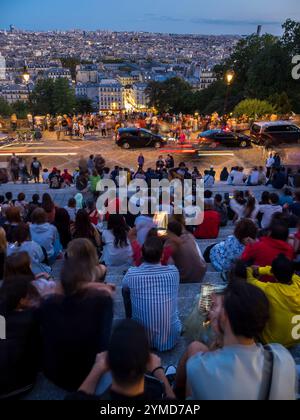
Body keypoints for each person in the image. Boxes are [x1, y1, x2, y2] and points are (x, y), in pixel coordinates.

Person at [175, 280, 297, 400]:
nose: (211, 311)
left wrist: (157, 371)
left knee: (194, 347)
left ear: (225, 319)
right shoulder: (282, 357)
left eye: (217, 306)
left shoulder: (198, 367)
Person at [39, 259, 114, 391]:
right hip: (90, 373)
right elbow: (104, 344)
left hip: (56, 374)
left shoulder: (48, 304)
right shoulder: (102, 303)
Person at [67, 320, 175, 400]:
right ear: (148, 361)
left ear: (109, 363)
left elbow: (78, 397)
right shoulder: (155, 392)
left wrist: (98, 367)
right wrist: (159, 371)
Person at [122, 236, 181, 352]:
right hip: (170, 337)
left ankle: (130, 320)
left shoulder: (132, 274)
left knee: (125, 289)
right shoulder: (174, 272)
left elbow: (125, 288)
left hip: (141, 338)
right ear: (162, 255)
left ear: (142, 255)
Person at [0, 275, 41, 398]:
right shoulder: (32, 318)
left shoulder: (2, 311)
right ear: (22, 301)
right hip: (21, 383)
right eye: (31, 297)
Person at [247, 254, 300, 348]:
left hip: (275, 342)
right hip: (297, 338)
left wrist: (250, 270)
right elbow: (281, 270)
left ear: (274, 273)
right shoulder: (298, 281)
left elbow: (250, 281)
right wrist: (261, 270)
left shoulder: (270, 290)